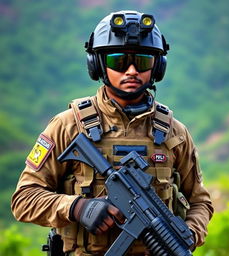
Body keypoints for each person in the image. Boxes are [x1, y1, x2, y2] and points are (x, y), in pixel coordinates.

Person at [11, 10, 214, 256]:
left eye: (142, 62)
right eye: (118, 61)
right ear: (97, 64)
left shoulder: (174, 133)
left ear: (157, 67)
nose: (131, 71)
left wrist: (187, 235)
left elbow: (201, 201)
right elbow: (24, 200)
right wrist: (76, 207)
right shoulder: (67, 126)